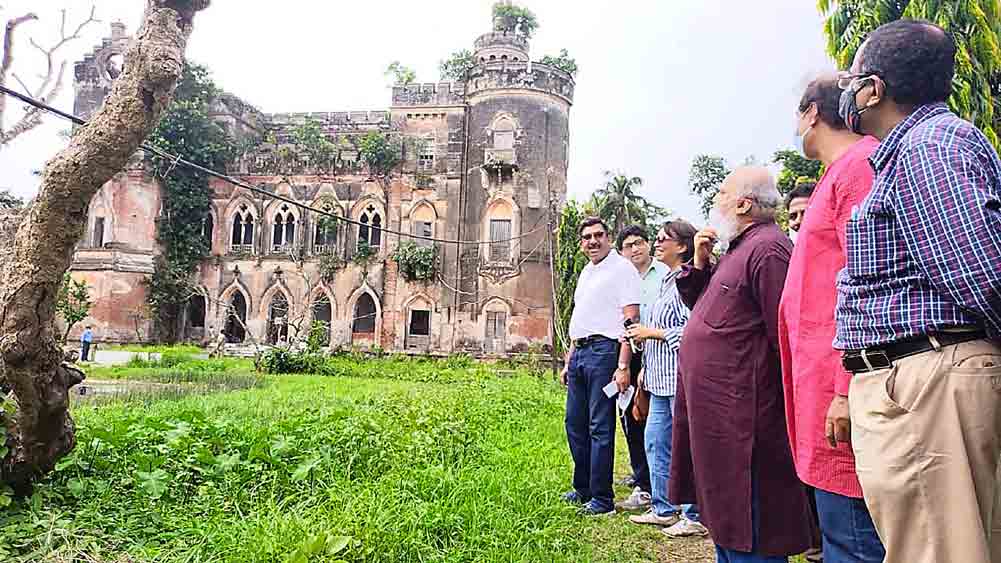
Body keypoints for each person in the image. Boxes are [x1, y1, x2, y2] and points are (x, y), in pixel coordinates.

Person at [835, 19, 1001, 563]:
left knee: (937, 551)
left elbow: (979, 270)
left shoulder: (928, 147)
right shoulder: (917, 149)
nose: (846, 93)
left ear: (874, 89)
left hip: (928, 377)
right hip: (925, 377)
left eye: (851, 80)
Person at [669, 167, 811, 562]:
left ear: (745, 203)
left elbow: (785, 338)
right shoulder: (739, 247)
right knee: (727, 526)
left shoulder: (768, 250)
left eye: (722, 193)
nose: (716, 201)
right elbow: (707, 312)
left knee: (752, 530)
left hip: (746, 424)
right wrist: (700, 262)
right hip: (721, 421)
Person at [779, 76, 884, 562]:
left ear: (812, 113)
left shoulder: (859, 166)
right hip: (822, 390)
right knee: (840, 533)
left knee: (854, 540)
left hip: (840, 392)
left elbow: (869, 278)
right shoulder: (835, 174)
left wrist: (846, 387)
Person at [624, 219, 708, 538]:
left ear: (683, 247)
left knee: (684, 447)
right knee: (656, 443)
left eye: (663, 239)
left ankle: (694, 514)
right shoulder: (665, 282)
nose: (656, 243)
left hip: (680, 379)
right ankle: (663, 508)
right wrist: (644, 363)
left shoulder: (688, 284)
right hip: (657, 378)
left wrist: (653, 333)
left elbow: (694, 330)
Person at [561, 217, 641, 516]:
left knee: (600, 426)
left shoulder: (622, 268)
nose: (592, 241)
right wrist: (570, 359)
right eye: (586, 237)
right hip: (581, 352)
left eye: (598, 235)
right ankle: (582, 489)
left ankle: (602, 499)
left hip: (605, 352)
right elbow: (580, 317)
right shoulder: (587, 271)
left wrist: (623, 365)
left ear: (608, 238)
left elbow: (630, 319)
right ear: (581, 243)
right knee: (574, 424)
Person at [613, 225, 663, 512]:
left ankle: (658, 484)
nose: (635, 249)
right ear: (622, 251)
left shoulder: (665, 275)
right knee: (630, 416)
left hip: (659, 351)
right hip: (629, 352)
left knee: (658, 419)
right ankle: (642, 478)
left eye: (639, 242)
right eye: (629, 245)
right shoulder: (621, 277)